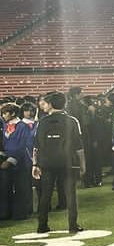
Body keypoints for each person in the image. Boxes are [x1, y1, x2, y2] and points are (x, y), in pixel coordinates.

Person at [32, 92, 85, 234]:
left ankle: (42, 225)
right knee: (70, 194)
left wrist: (35, 164)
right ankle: (73, 225)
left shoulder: (41, 122)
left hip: (47, 162)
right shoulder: (72, 120)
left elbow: (36, 146)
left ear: (50, 104)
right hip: (68, 162)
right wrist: (82, 164)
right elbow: (78, 146)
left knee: (45, 195)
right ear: (64, 104)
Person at [0, 102, 34, 221]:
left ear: (13, 113)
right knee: (6, 188)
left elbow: (22, 145)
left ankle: (21, 213)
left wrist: (10, 160)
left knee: (21, 188)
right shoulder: (5, 125)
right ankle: (6, 212)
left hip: (20, 161)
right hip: (6, 160)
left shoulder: (22, 126)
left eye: (5, 113)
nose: (3, 115)